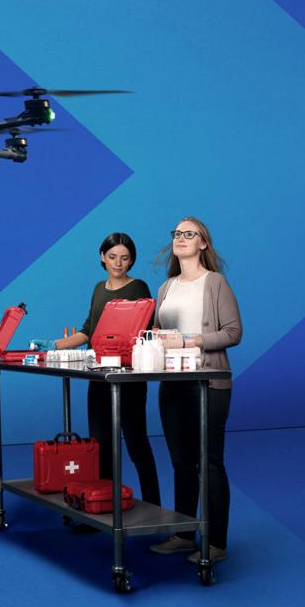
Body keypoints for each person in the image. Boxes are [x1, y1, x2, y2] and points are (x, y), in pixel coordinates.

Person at [41, 232, 162, 511]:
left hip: (128, 378)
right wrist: (53, 346)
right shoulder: (98, 288)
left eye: (125, 258)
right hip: (98, 377)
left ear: (131, 260)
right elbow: (87, 330)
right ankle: (105, 506)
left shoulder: (138, 287)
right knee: (102, 447)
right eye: (112, 257)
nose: (118, 263)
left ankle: (155, 507)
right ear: (102, 258)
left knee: (136, 445)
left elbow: (144, 329)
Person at [150, 216, 242, 562]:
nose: (181, 238)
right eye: (177, 233)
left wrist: (191, 340)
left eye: (190, 234)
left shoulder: (215, 282)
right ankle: (185, 533)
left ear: (203, 243)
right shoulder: (166, 287)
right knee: (180, 462)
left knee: (210, 462)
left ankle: (216, 541)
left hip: (208, 383)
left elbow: (233, 332)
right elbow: (159, 334)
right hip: (172, 384)